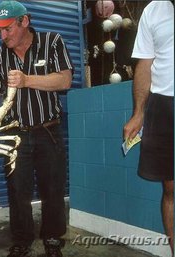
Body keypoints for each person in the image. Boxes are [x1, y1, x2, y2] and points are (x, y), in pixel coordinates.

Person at [0, 1, 73, 257]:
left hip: (48, 130)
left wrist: (27, 79)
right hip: (13, 134)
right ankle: (21, 241)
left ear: (24, 22)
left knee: (52, 187)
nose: (3, 35)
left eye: (7, 29)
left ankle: (52, 238)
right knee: (17, 189)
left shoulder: (52, 42)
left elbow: (64, 79)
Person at [123, 1, 174, 255]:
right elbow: (144, 64)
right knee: (170, 187)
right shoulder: (154, 9)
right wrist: (138, 113)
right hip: (164, 105)